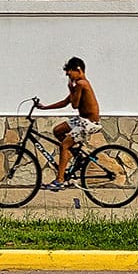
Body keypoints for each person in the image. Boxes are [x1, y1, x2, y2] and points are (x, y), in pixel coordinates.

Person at [36, 56, 101, 191]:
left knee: (64, 145)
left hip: (88, 123)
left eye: (69, 72)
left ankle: (60, 181)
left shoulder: (82, 84)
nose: (67, 75)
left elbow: (74, 105)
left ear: (78, 70)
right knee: (57, 130)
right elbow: (65, 102)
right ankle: (75, 154)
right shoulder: (79, 84)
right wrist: (45, 108)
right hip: (81, 119)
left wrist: (71, 88)